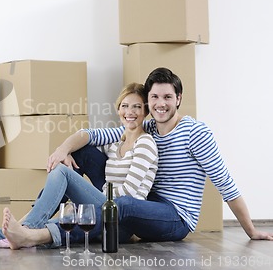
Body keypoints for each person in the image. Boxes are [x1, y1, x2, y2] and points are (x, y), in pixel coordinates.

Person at [45, 67, 273, 244]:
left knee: (121, 205)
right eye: (154, 97)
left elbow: (225, 183)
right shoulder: (148, 127)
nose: (160, 104)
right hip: (146, 205)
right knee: (84, 153)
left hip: (175, 217)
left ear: (178, 98)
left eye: (167, 97)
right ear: (148, 101)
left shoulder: (195, 133)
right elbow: (93, 134)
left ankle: (44, 234)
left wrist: (251, 230)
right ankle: (34, 223)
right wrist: (62, 150)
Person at [0, 82, 158, 249]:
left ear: (145, 112)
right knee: (55, 212)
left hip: (121, 220)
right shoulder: (115, 143)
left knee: (62, 173)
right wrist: (64, 151)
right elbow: (87, 138)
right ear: (118, 108)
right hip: (104, 207)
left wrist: (94, 193)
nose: (130, 112)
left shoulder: (145, 143)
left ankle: (26, 225)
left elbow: (129, 194)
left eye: (137, 107)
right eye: (125, 106)